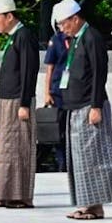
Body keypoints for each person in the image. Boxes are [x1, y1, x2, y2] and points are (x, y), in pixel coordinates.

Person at [53, 0, 112, 220]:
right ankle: (84, 203)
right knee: (79, 159)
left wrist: (96, 105)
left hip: (89, 105)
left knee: (92, 158)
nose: (62, 29)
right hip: (74, 105)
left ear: (75, 19)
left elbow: (99, 73)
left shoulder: (91, 37)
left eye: (64, 24)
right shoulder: (74, 40)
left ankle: (94, 205)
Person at [0, 0, 39, 209]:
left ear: (9, 16)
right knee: (7, 148)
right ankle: (6, 192)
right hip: (6, 99)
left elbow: (29, 70)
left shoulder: (24, 36)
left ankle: (19, 195)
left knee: (19, 148)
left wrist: (24, 103)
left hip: (18, 100)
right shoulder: (12, 38)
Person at [43, 20, 71, 171]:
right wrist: (46, 92)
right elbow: (49, 69)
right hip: (58, 90)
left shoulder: (76, 39)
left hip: (73, 90)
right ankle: (62, 162)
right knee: (58, 129)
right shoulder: (56, 40)